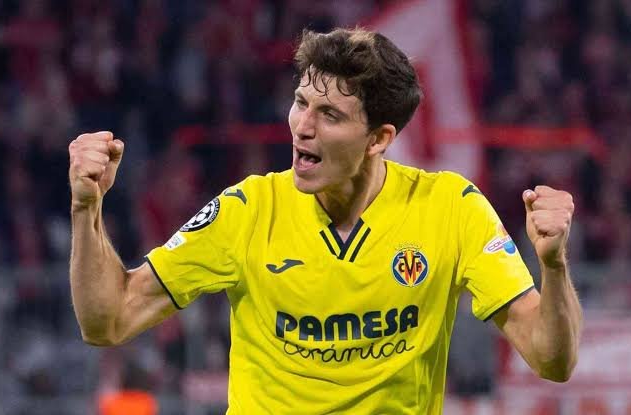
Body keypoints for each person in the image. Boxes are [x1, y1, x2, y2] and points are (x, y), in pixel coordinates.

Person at [68, 28, 582, 414]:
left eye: (330, 115)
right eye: (300, 102)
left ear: (379, 138)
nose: (302, 127)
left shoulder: (450, 208)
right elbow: (108, 320)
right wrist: (86, 208)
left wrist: (554, 267)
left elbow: (551, 359)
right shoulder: (249, 210)